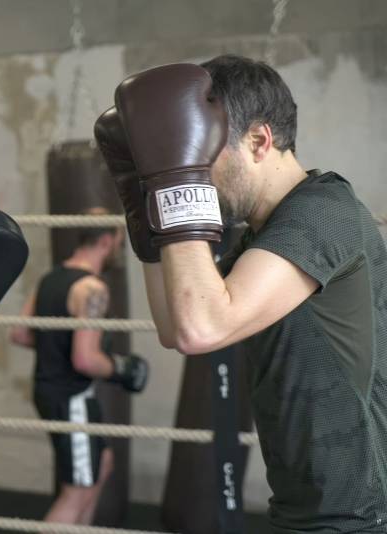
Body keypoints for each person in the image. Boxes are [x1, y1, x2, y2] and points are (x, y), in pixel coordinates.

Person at [96, 54, 387, 532]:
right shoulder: (264, 235)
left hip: (360, 514)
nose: (197, 175)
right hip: (307, 505)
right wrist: (145, 204)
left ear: (258, 141)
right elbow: (177, 326)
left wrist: (175, 178)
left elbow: (202, 328)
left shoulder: (322, 213)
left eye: (201, 157)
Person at [10, 209, 148, 526]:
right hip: (71, 398)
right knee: (78, 490)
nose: (119, 250)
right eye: (118, 243)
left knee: (103, 463)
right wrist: (120, 368)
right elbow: (85, 359)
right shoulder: (92, 289)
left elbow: (20, 334)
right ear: (106, 241)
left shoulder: (50, 278)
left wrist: (56, 346)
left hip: (52, 391)